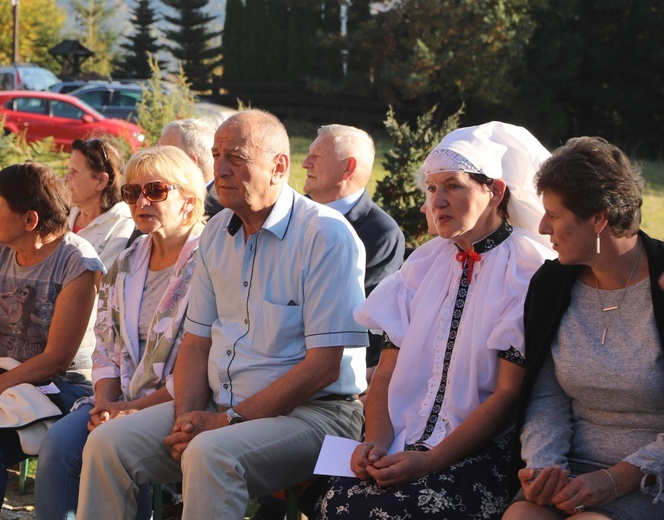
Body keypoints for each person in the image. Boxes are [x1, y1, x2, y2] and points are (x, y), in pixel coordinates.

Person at [76, 109, 368, 520]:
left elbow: (322, 367)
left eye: (236, 156)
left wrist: (225, 421)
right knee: (107, 444)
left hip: (318, 413)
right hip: (222, 406)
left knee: (212, 454)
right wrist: (186, 419)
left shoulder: (325, 235)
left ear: (278, 166)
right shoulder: (216, 232)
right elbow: (197, 343)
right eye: (216, 155)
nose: (221, 168)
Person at [314, 121, 555, 519]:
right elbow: (386, 374)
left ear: (494, 191)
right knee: (336, 502)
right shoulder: (422, 266)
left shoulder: (527, 270)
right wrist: (376, 441)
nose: (436, 201)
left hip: (481, 450)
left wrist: (430, 461)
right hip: (403, 442)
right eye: (431, 188)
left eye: (453, 186)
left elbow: (506, 396)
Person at [34, 146, 207, 520]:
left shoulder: (211, 260)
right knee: (59, 446)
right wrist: (105, 405)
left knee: (108, 444)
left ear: (189, 201)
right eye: (131, 193)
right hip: (121, 400)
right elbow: (106, 345)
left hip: (185, 402)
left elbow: (207, 361)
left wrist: (128, 410)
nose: (141, 201)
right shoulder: (128, 261)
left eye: (156, 191)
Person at [502, 136, 664, 520]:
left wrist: (614, 480)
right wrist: (545, 468)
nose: (542, 227)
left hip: (649, 476)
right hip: (573, 469)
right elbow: (545, 396)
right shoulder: (552, 285)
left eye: (554, 215)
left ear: (599, 218)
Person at [0, 162, 105, 504]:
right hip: (9, 377)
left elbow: (56, 359)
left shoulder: (77, 263)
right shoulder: (4, 251)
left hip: (60, 388)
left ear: (29, 220)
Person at [66, 136, 135, 269]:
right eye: (68, 171)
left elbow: (99, 279)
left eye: (74, 172)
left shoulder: (122, 223)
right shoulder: (65, 216)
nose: (67, 178)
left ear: (101, 181)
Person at [158, 118, 223, 218]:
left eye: (164, 155)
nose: (154, 161)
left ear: (190, 162)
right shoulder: (151, 197)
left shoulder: (225, 210)